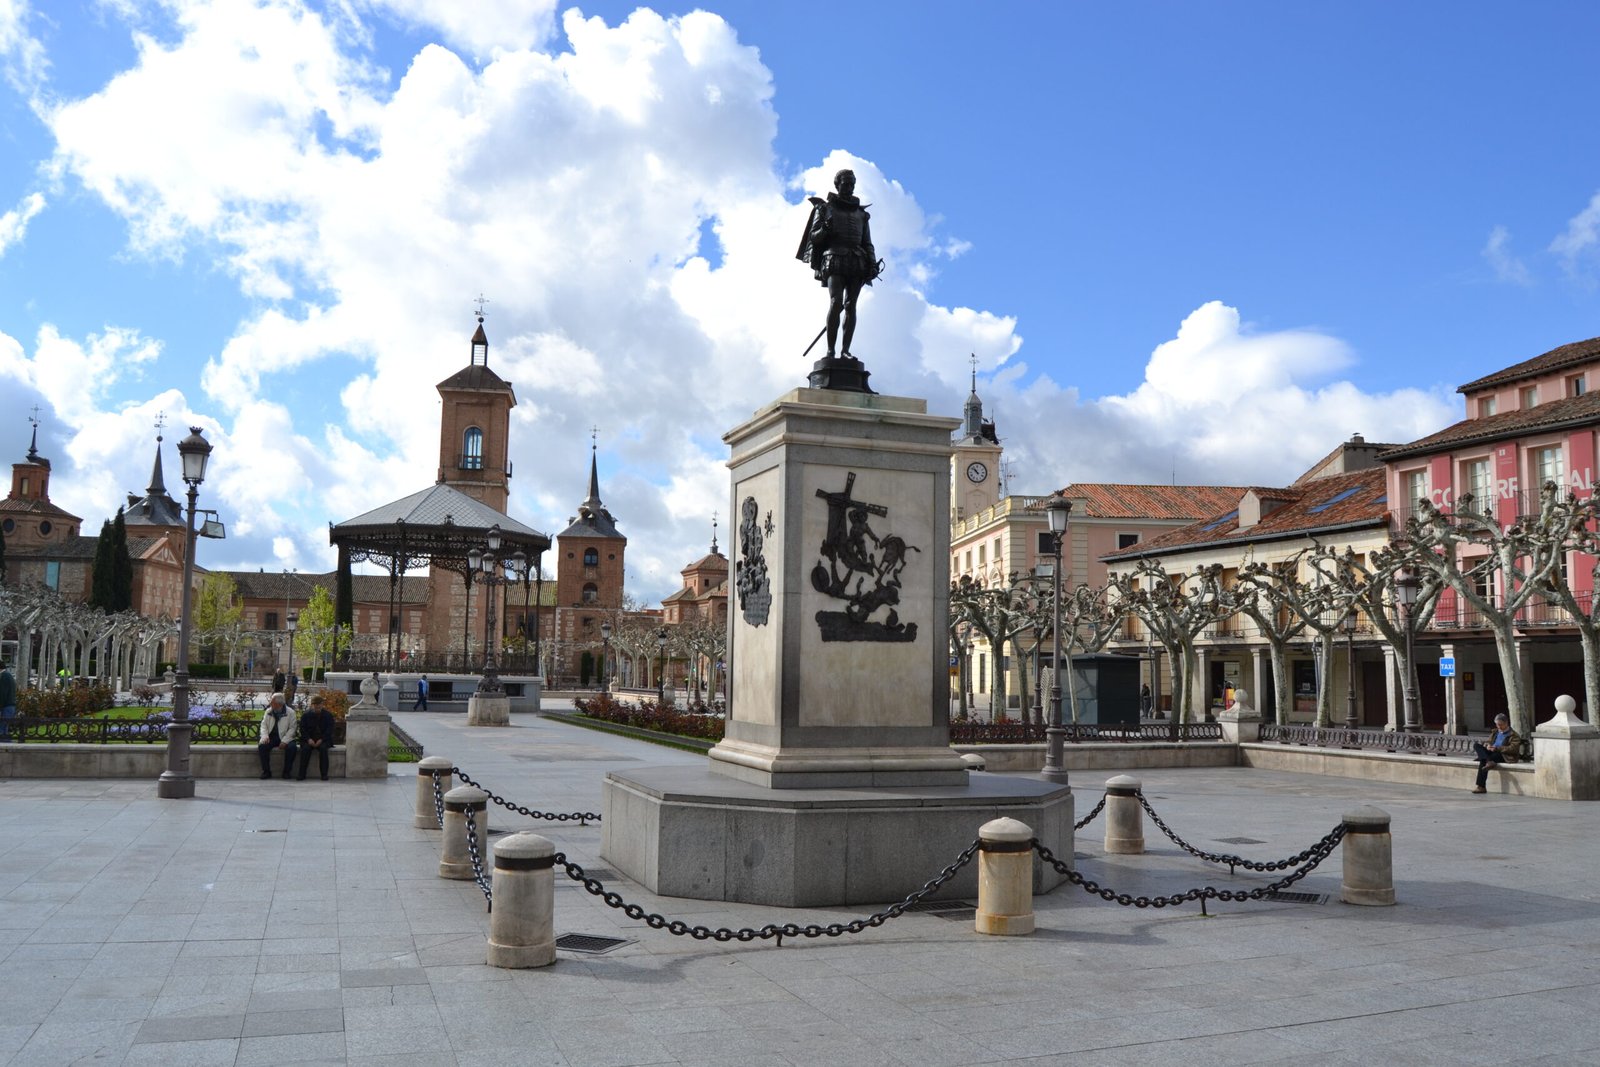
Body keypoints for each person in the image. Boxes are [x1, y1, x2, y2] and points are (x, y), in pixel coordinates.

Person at [796, 168, 881, 359]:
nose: (849, 187)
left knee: (851, 306)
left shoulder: (861, 214)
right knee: (836, 303)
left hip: (857, 261)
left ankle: (845, 351)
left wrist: (873, 263)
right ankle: (830, 351)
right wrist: (825, 230)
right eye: (846, 183)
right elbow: (814, 238)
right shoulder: (825, 208)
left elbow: (867, 242)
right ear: (837, 184)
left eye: (852, 184)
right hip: (834, 258)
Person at [1471, 713, 1518, 793]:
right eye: (1497, 725)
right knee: (1476, 745)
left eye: (1501, 725)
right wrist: (1487, 745)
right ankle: (1489, 761)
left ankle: (1481, 786)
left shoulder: (1514, 735)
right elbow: (1488, 741)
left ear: (1506, 723)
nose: (1499, 727)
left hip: (1503, 755)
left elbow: (1513, 749)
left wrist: (1497, 748)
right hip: (1491, 752)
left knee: (1483, 760)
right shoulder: (1495, 732)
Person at [257, 693, 299, 780]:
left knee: (292, 748)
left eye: (272, 702)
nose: (270, 703)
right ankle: (266, 771)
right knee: (262, 746)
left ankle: (287, 772)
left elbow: (292, 728)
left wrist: (284, 741)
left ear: (279, 704)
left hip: (286, 737)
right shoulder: (269, 711)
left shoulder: (290, 712)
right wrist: (265, 736)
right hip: (272, 737)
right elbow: (263, 725)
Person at [296, 694, 336, 781]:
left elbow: (329, 730)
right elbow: (302, 729)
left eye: (319, 704)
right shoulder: (306, 715)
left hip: (323, 740)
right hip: (309, 739)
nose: (317, 706)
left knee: (323, 749)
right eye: (315, 704)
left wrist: (321, 740)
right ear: (312, 705)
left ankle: (324, 774)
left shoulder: (328, 715)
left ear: (322, 704)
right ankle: (301, 774)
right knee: (305, 750)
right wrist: (308, 739)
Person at [0, 659, 16, 741]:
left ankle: (7, 750)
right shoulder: (7, 675)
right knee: (4, 730)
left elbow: (2, 694)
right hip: (9, 706)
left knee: (2, 731)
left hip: (6, 707)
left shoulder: (4, 676)